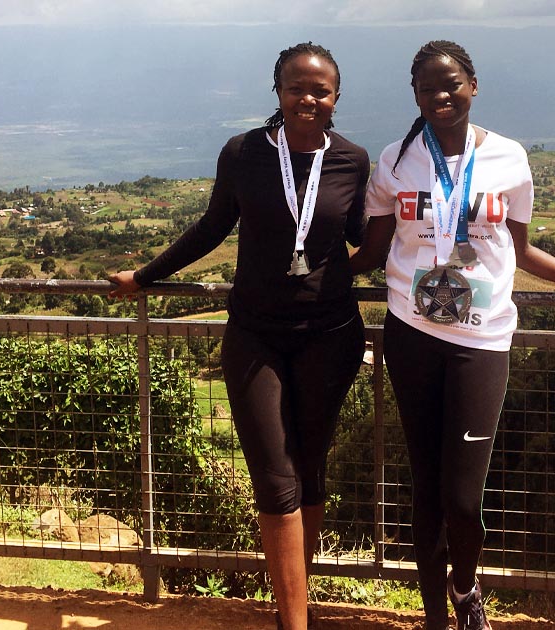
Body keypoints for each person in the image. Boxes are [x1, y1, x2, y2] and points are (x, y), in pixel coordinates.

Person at [349, 40, 555, 630]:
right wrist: (299, 278)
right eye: (426, 87)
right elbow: (371, 251)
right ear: (413, 96)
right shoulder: (395, 160)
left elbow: (519, 251)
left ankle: (466, 591)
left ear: (473, 84)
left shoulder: (510, 159)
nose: (441, 96)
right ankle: (436, 616)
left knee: (464, 499)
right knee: (425, 489)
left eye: (451, 83)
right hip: (412, 334)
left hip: (482, 339)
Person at [108, 42, 370, 630]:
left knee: (310, 469)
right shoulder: (246, 152)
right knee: (276, 479)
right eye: (296, 87)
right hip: (256, 335)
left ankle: (293, 606)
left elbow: (360, 238)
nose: (308, 98)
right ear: (277, 91)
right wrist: (145, 277)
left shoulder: (353, 160)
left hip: (331, 335)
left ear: (336, 97)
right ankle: (294, 623)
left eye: (319, 89)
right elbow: (212, 226)